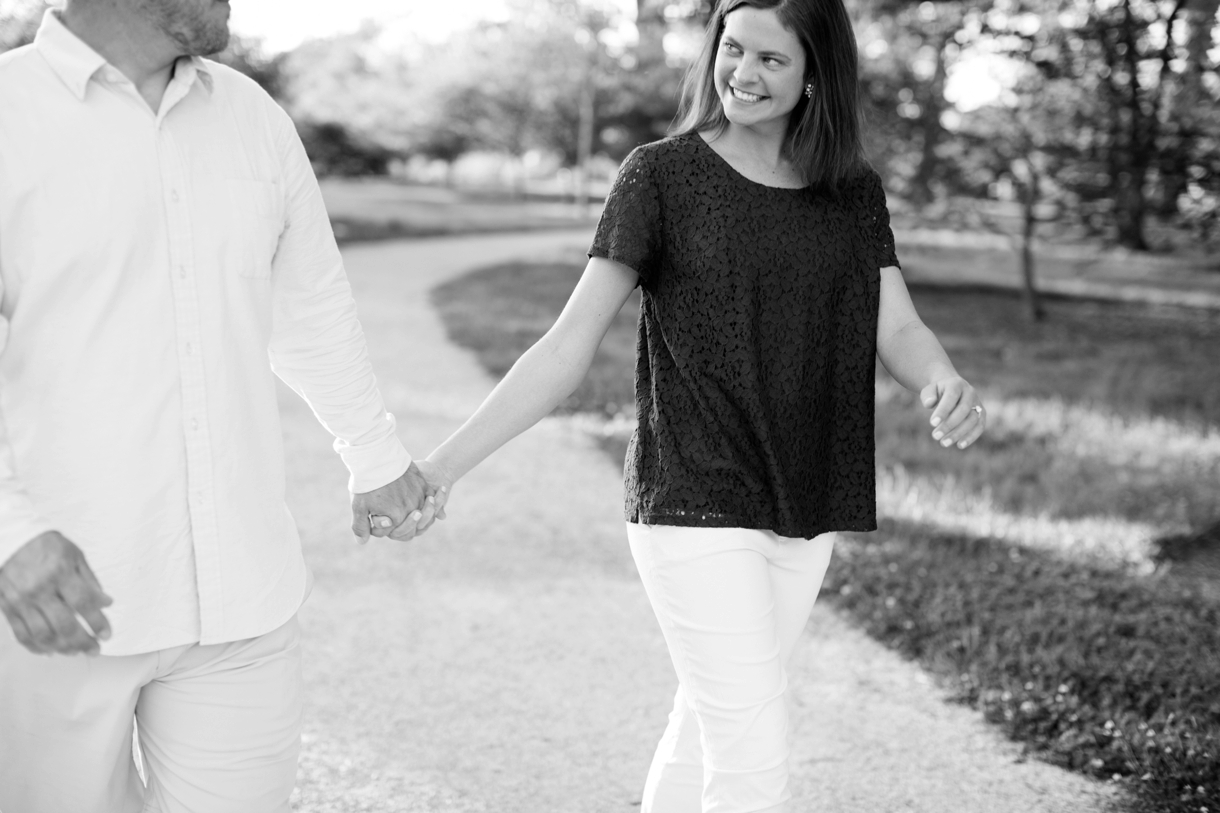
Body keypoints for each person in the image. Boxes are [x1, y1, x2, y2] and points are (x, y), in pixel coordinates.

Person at [403, 0, 987, 810]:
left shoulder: (852, 194)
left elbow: (901, 326)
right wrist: (441, 467)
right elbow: (568, 344)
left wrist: (942, 377)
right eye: (733, 48)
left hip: (808, 493)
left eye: (772, 60)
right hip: (693, 494)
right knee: (754, 752)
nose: (742, 73)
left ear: (818, 72)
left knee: (710, 722)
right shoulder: (662, 175)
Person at [0, 1, 436, 810]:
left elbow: (309, 304)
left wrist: (373, 455)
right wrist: (10, 536)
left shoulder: (251, 114)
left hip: (241, 598)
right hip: (52, 605)